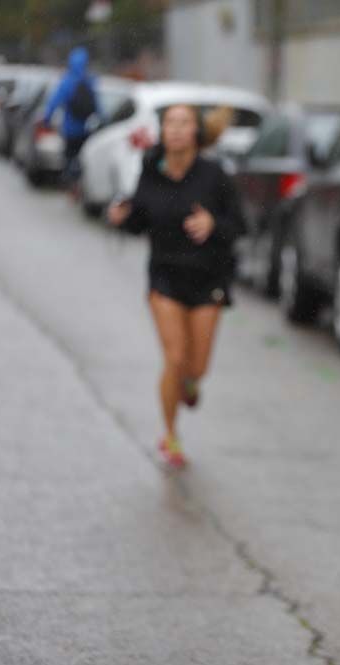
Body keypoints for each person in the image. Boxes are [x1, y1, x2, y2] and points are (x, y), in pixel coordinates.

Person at [107, 104, 244, 468]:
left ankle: (191, 383)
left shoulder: (215, 176)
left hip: (208, 278)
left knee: (196, 368)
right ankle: (170, 435)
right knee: (175, 358)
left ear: (196, 132)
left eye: (184, 123)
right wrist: (122, 217)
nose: (177, 130)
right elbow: (139, 220)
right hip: (165, 276)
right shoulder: (151, 172)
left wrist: (214, 225)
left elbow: (241, 225)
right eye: (170, 123)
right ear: (162, 131)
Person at [42, 46, 99, 189]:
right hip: (86, 129)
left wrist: (47, 119)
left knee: (69, 158)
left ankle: (70, 184)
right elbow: (98, 106)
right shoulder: (90, 80)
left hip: (70, 129)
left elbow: (54, 102)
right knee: (82, 158)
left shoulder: (67, 82)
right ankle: (80, 183)